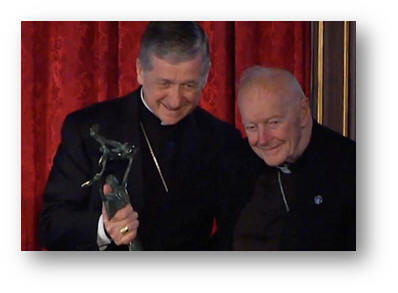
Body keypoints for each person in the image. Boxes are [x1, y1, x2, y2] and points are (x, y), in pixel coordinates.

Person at [39, 22, 244, 250]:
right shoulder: (88, 129)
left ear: (206, 75)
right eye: (164, 83)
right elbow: (51, 225)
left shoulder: (223, 140)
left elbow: (234, 234)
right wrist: (104, 229)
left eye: (188, 85)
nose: (175, 100)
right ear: (139, 71)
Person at [233, 67, 356, 250]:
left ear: (303, 112)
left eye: (273, 123)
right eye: (251, 127)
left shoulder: (351, 167)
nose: (263, 139)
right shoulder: (236, 162)